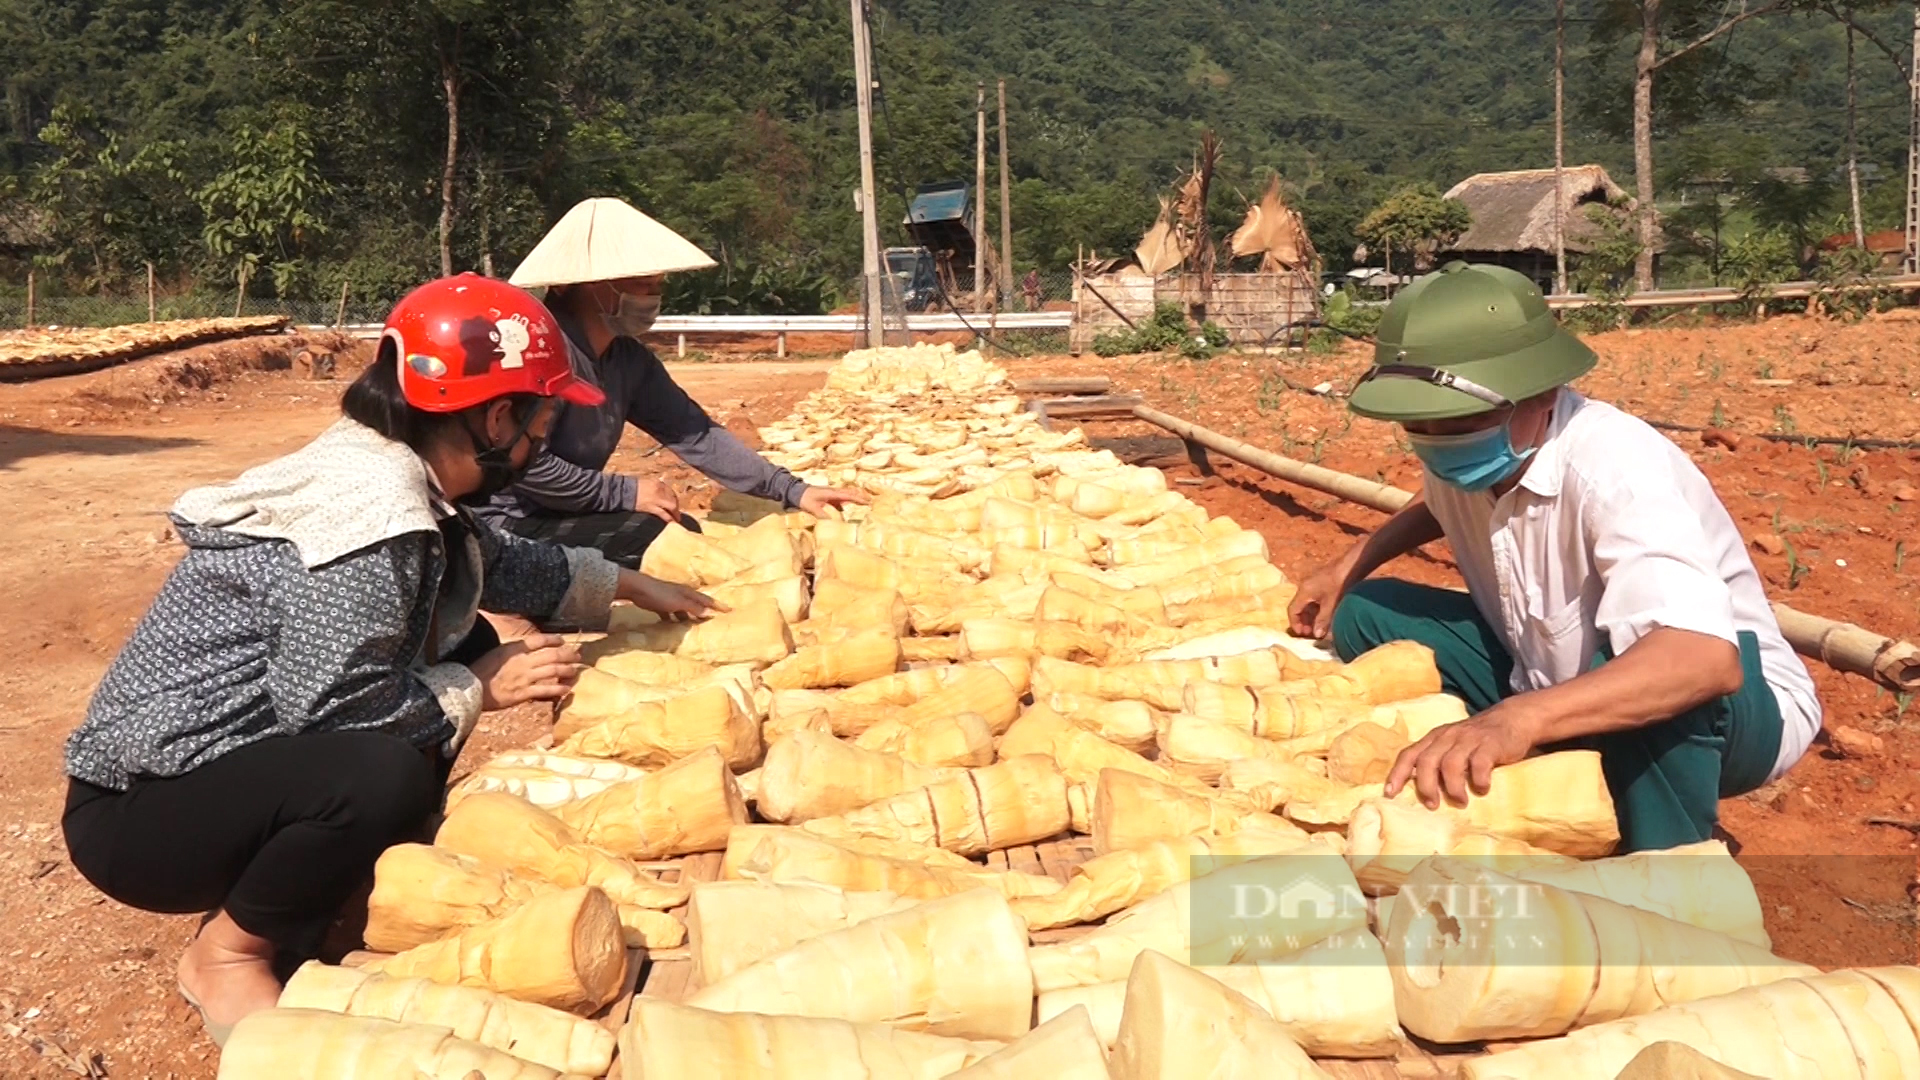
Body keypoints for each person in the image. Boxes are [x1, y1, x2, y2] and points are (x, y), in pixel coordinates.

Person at [60, 275, 718, 1044]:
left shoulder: (392, 464)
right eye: (540, 425)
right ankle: (227, 955)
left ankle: (322, 874)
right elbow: (335, 706)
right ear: (496, 417)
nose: (541, 446)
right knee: (384, 768)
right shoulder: (372, 521)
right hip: (143, 815)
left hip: (214, 773)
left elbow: (491, 559)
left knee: (460, 638)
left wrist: (628, 583)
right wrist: (479, 686)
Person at [1287, 261, 1819, 853]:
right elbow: (1433, 503)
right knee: (1367, 612)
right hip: (1542, 670)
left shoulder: (1615, 468)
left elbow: (1702, 661)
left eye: (1461, 419)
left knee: (1654, 689)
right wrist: (1347, 566)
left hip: (1737, 707)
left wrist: (1521, 719)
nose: (1439, 439)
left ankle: (1661, 878)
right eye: (1419, 421)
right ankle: (1553, 761)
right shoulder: (1474, 452)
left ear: (1541, 393)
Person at [487, 197, 867, 568]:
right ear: (590, 285)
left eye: (657, 284)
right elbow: (526, 467)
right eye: (641, 284)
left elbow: (695, 434)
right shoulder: (538, 355)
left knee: (674, 532)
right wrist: (624, 492)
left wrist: (793, 490)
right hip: (508, 521)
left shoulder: (628, 360)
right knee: (654, 538)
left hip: (566, 512)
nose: (653, 296)